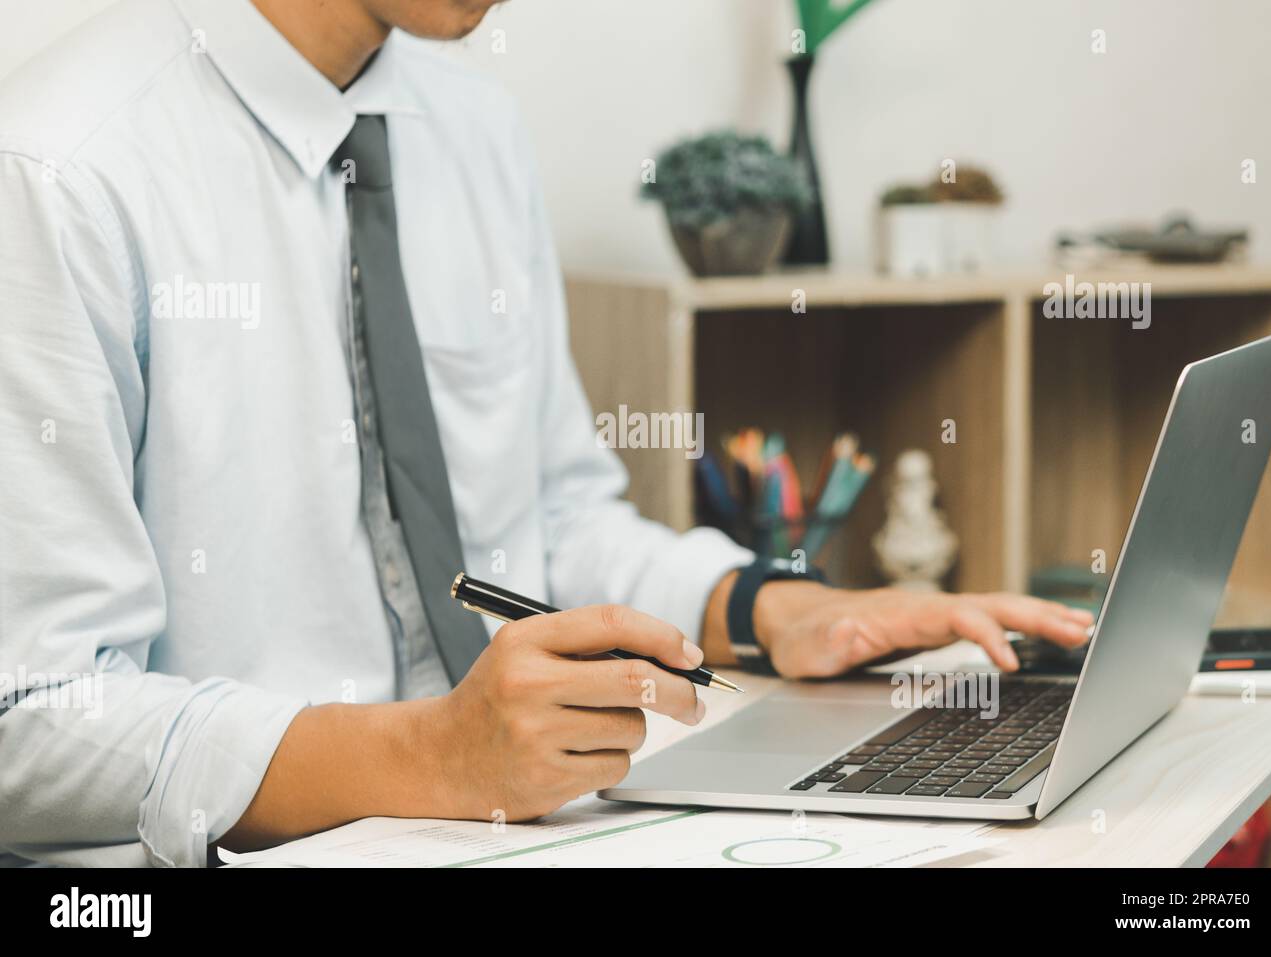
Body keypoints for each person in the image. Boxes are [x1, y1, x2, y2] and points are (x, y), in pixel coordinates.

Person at [0, 0, 1092, 867]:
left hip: (527, 827)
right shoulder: (57, 170)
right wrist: (428, 757)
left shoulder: (474, 130)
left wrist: (784, 609)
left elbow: (553, 521)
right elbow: (32, 718)